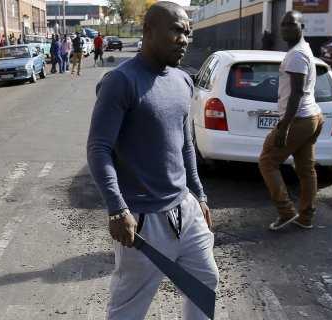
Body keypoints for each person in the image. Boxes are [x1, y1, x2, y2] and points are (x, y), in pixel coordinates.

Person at [87, 2, 219, 319]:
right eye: (176, 30)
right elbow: (98, 148)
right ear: (148, 31)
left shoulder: (183, 80)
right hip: (145, 220)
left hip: (185, 211)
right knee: (129, 307)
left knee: (205, 282)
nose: (184, 39)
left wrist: (197, 194)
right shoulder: (121, 81)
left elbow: (184, 142)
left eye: (188, 32)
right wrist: (117, 208)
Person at [259, 11, 324, 231]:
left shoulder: (297, 55)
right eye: (283, 24)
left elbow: (296, 93)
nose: (285, 28)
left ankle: (286, 211)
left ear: (302, 26)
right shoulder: (303, 50)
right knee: (306, 170)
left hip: (298, 119)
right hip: (312, 117)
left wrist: (283, 127)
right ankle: (306, 216)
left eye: (291, 24)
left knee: (267, 161)